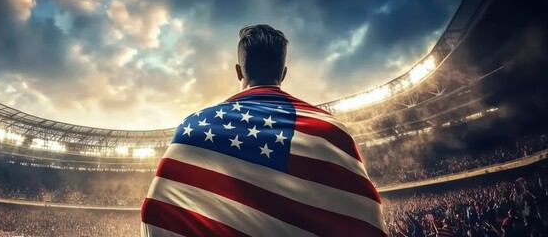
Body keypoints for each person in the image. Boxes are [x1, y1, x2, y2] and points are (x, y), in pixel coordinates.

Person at [141, 24, 385, 236]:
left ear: (239, 71)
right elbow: (362, 218)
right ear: (284, 73)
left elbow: (158, 212)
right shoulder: (329, 129)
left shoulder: (193, 126)